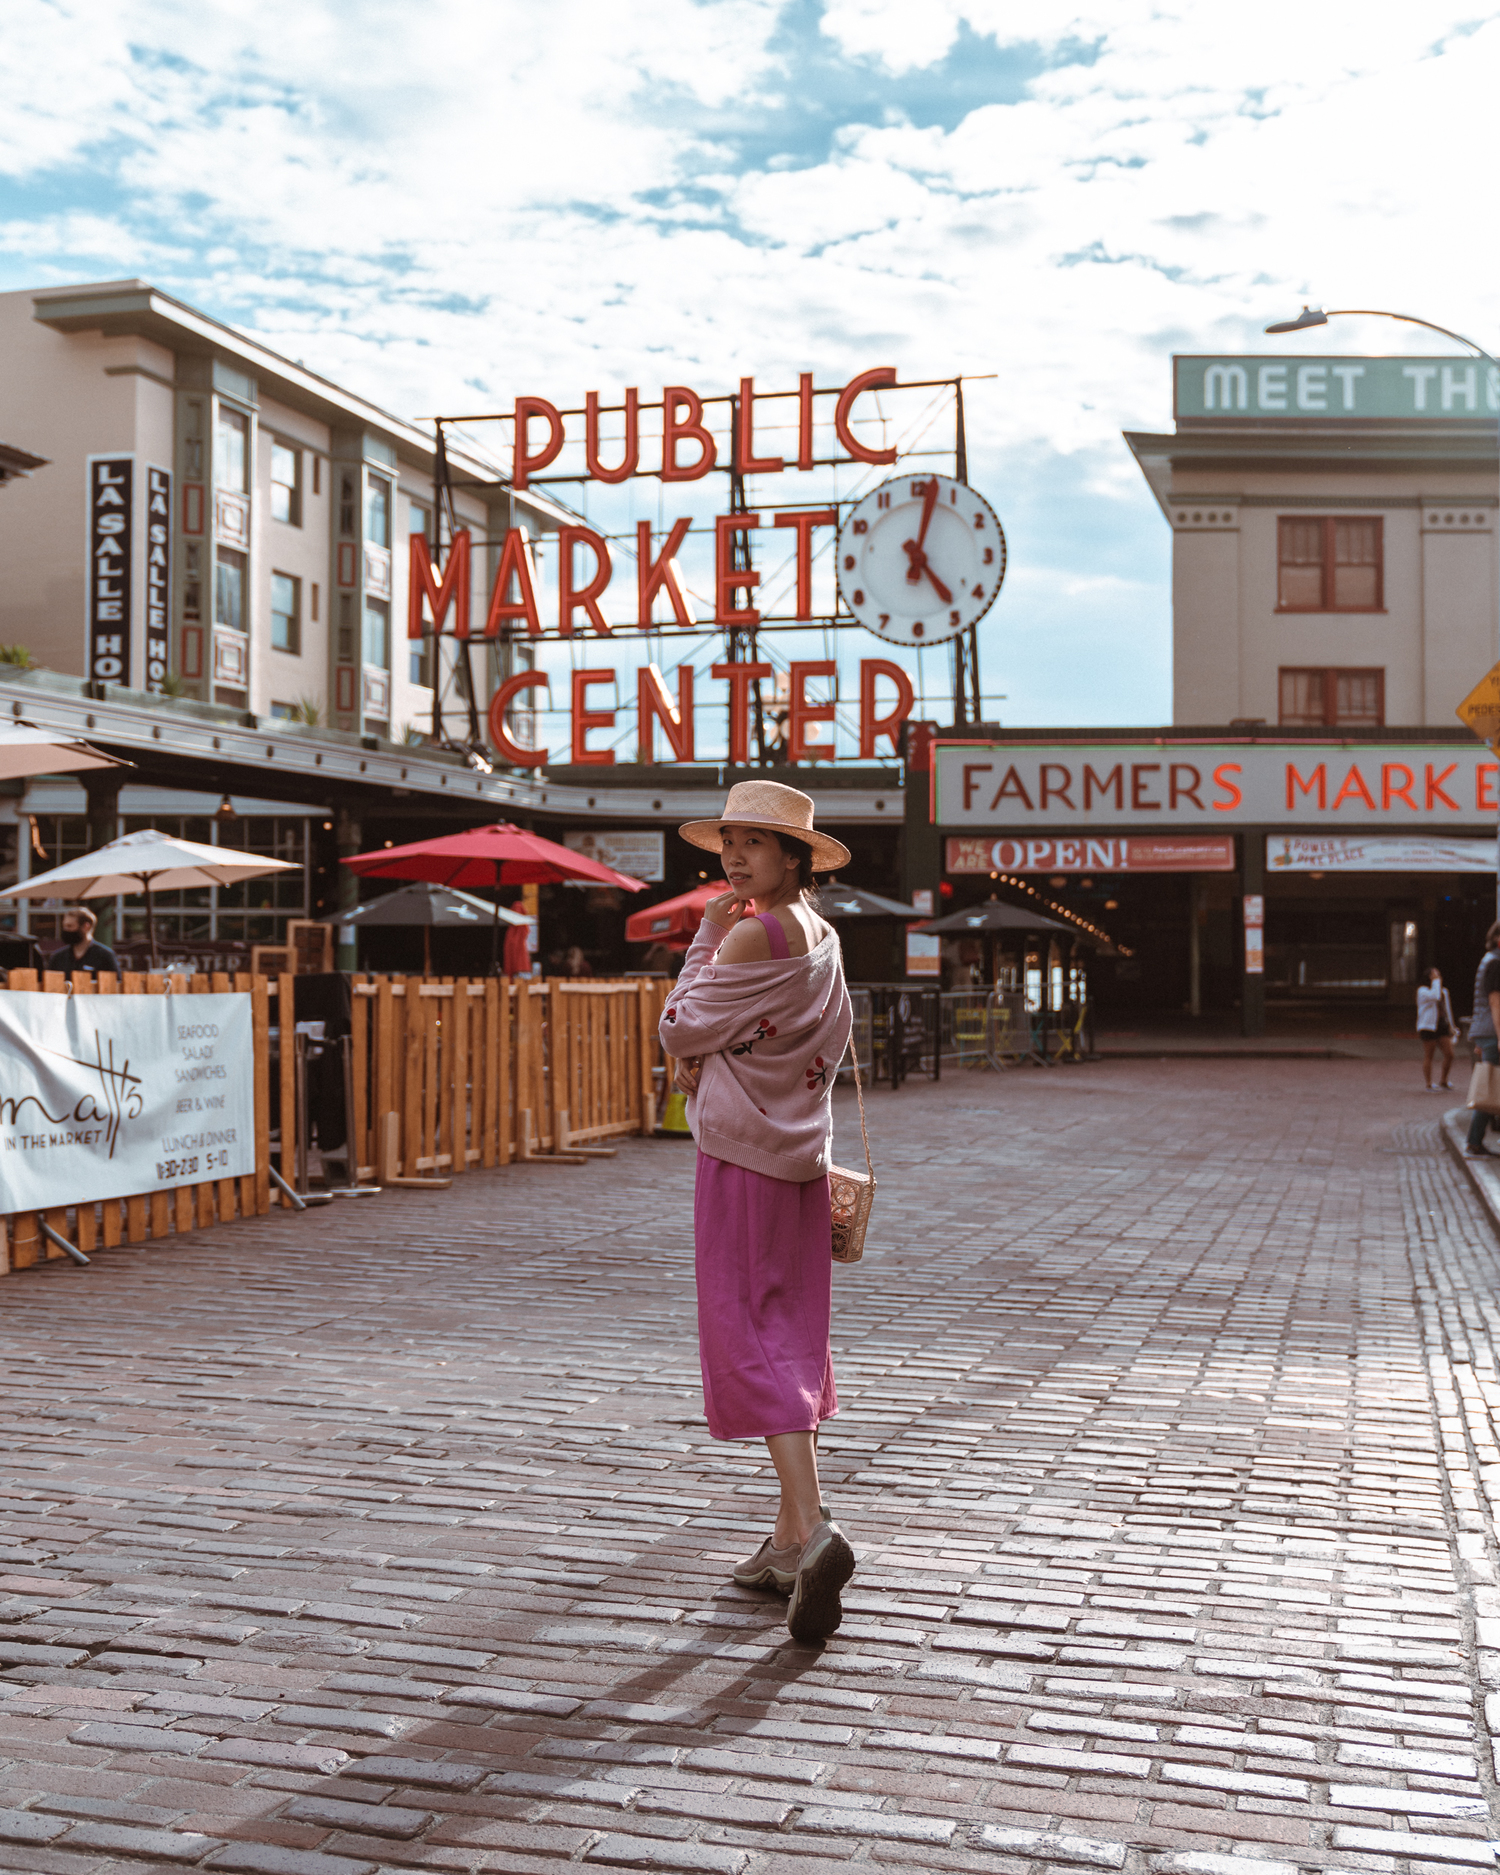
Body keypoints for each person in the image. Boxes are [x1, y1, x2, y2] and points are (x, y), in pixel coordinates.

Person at [658, 781, 856, 1644]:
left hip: (739, 1155)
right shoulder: (824, 935)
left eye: (756, 843)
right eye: (730, 840)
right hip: (800, 1156)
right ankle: (784, 1541)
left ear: (793, 857)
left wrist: (704, 933)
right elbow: (831, 1039)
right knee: (791, 1328)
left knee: (747, 1333)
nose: (736, 857)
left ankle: (812, 1528)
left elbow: (678, 1024)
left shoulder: (745, 932)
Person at [1466, 922, 1500, 1157]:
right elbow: (1495, 1002)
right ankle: (1474, 1141)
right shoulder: (1496, 962)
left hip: (1486, 1032)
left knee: (1492, 1085)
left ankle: (1475, 1140)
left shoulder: (1489, 959)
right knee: (1491, 1087)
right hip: (1492, 1032)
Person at [48, 905, 118, 978]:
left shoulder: (105, 957)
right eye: (64, 926)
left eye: (70, 926)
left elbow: (114, 984)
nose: (66, 930)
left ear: (86, 926)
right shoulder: (58, 958)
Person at [1416, 966, 1455, 1092]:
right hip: (1428, 1025)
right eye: (1434, 975)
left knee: (1449, 1054)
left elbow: (1447, 1008)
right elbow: (1435, 996)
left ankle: (1444, 1080)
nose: (1438, 977)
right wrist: (1436, 982)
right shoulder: (1422, 991)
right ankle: (1428, 1083)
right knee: (1429, 1055)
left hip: (1441, 1025)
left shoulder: (1443, 991)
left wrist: (1451, 1025)